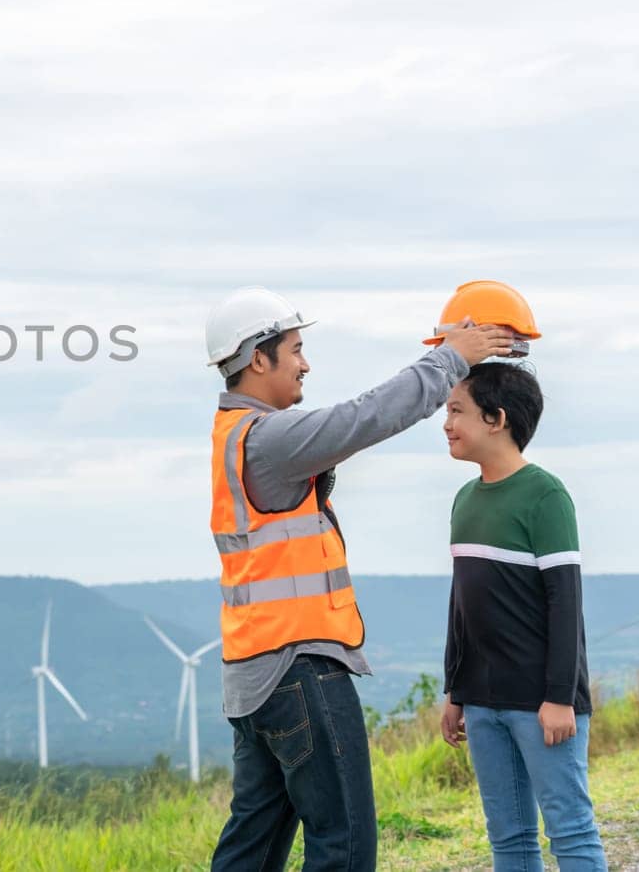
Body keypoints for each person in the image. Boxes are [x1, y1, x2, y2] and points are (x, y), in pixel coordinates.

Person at [204, 287, 515, 871]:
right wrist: (452, 357)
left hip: (254, 675)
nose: (305, 362)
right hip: (299, 667)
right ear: (256, 359)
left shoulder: (235, 437)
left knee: (253, 842)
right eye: (295, 349)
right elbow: (366, 417)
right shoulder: (269, 440)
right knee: (343, 842)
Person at [439, 362, 606, 870]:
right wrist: (454, 690)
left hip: (541, 703)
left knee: (570, 830)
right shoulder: (465, 499)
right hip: (482, 702)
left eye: (456, 410)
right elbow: (461, 604)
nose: (446, 423)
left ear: (497, 419)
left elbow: (565, 602)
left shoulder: (545, 495)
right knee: (508, 839)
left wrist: (559, 697)